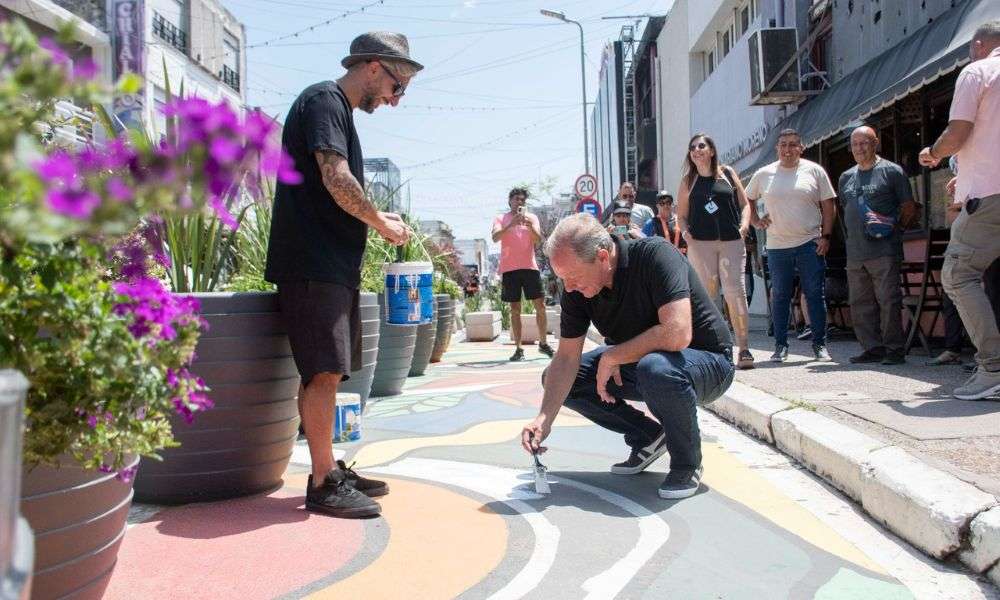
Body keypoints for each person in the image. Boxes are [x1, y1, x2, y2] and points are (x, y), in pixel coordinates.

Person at [264, 32, 421, 519]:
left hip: (329, 264)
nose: (395, 100)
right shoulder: (323, 100)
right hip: (312, 263)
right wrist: (381, 220)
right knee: (325, 371)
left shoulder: (336, 110)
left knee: (323, 371)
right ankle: (323, 482)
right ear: (374, 67)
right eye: (397, 87)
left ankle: (326, 467)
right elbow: (336, 176)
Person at [520, 214, 735, 499]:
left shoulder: (656, 256)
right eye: (563, 279)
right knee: (558, 378)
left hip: (707, 363)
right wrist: (544, 419)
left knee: (655, 368)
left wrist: (615, 356)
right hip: (644, 365)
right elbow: (566, 358)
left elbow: (677, 333)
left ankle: (686, 463)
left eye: (572, 277)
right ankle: (647, 436)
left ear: (602, 257)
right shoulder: (577, 288)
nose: (568, 288)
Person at [919, 21, 1000, 399]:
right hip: (985, 189)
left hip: (991, 198)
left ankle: (994, 367)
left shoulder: (978, 71)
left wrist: (933, 153)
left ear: (980, 43)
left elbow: (959, 131)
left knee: (957, 274)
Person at [747, 128, 838, 363]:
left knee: (814, 295)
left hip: (810, 243)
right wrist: (756, 220)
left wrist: (826, 236)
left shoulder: (815, 171)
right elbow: (747, 198)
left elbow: (829, 205)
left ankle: (820, 345)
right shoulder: (764, 174)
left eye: (793, 144)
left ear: (801, 147)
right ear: (777, 148)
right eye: (783, 145)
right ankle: (780, 346)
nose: (788, 149)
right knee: (780, 296)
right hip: (777, 246)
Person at [839, 126, 918, 365]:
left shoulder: (892, 171)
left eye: (864, 143)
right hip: (856, 252)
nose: (859, 148)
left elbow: (908, 207)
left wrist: (895, 230)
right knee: (860, 303)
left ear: (876, 143)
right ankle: (872, 348)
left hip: (884, 250)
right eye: (855, 144)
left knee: (888, 300)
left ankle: (894, 349)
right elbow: (845, 208)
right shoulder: (846, 177)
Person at [676, 134, 754, 369]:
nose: (697, 150)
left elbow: (745, 204)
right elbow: (681, 215)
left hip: (731, 241)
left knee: (735, 292)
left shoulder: (728, 173)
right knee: (709, 297)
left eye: (702, 146)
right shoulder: (689, 180)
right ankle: (719, 350)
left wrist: (743, 227)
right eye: (692, 148)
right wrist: (688, 236)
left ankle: (744, 348)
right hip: (701, 244)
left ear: (711, 150)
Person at [491, 187, 554, 361]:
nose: (520, 202)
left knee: (540, 306)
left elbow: (538, 240)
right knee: (515, 309)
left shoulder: (532, 218)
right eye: (517, 199)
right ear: (510, 200)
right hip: (510, 268)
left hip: (530, 267)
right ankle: (518, 349)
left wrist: (528, 225)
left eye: (522, 200)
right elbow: (495, 237)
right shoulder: (501, 218)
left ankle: (543, 343)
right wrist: (510, 225)